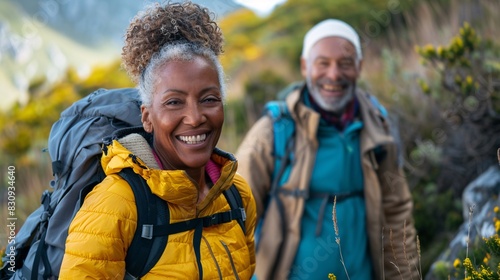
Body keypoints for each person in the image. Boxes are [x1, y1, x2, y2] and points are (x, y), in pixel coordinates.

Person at [59, 2, 256, 279]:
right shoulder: (115, 205)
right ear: (147, 117)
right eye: (174, 102)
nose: (195, 117)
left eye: (209, 99)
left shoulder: (236, 194)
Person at [236, 19, 419, 279]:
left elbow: (396, 216)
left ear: (359, 67)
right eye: (322, 63)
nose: (333, 74)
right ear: (304, 66)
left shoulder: (379, 130)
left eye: (345, 63)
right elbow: (233, 220)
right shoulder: (271, 132)